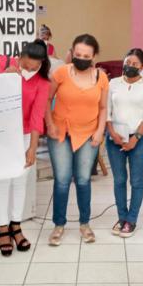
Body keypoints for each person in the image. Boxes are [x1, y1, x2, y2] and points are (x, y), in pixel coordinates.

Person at [45, 34, 108, 245]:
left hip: (89, 133)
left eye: (86, 56)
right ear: (72, 52)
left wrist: (100, 131)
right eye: (78, 54)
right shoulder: (61, 72)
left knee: (83, 179)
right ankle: (59, 225)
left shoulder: (101, 77)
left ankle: (84, 224)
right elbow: (47, 98)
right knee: (62, 180)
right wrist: (50, 125)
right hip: (60, 132)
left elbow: (103, 107)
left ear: (94, 57)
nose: (81, 58)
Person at [0, 40, 51, 256]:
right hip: (1, 134)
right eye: (27, 65)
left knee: (20, 180)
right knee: (2, 181)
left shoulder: (42, 82)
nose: (30, 69)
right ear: (21, 56)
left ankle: (16, 225)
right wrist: (3, 77)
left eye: (36, 66)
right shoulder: (3, 63)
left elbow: (36, 117)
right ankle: (2, 228)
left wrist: (32, 148)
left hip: (24, 135)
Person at [105, 48, 143, 237]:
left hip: (138, 139)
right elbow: (106, 111)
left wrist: (135, 139)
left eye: (135, 64)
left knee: (136, 181)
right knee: (119, 180)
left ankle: (131, 219)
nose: (130, 66)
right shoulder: (113, 83)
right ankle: (121, 217)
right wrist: (112, 133)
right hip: (114, 139)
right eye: (128, 62)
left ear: (142, 67)